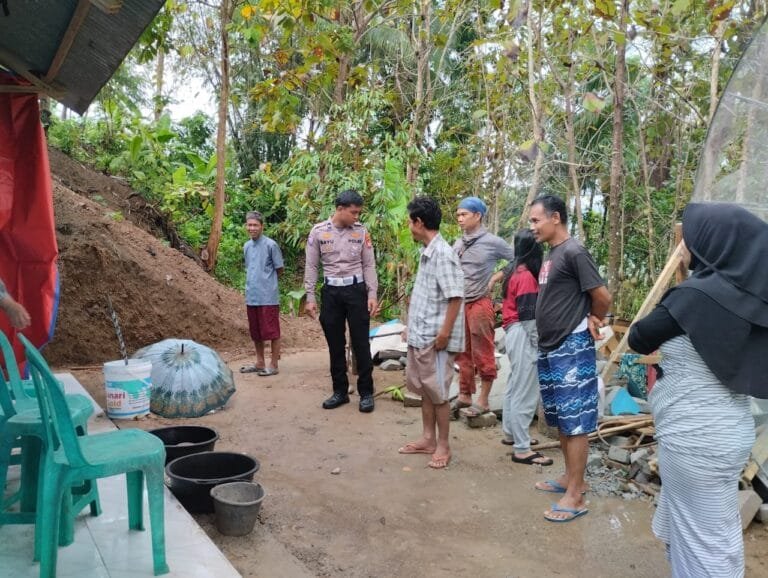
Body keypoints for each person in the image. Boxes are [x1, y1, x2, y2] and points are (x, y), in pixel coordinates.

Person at [628, 203, 768, 577]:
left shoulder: (697, 296)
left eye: (688, 239)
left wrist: (684, 285)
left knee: (703, 542)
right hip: (728, 432)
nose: (682, 247)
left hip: (695, 438)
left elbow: (639, 337)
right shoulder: (752, 301)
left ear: (711, 244)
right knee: (711, 531)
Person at [529, 194, 611, 523]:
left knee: (575, 420)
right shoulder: (553, 254)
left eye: (536, 220)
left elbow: (602, 295)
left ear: (556, 218)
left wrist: (595, 317)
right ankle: (569, 478)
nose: (531, 226)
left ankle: (575, 495)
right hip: (550, 346)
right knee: (562, 418)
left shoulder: (575, 251)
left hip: (572, 345)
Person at [398, 197, 464, 469]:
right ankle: (428, 438)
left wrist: (445, 334)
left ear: (419, 222)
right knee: (427, 390)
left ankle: (443, 445)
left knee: (438, 393)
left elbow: (455, 297)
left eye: (410, 222)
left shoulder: (443, 254)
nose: (409, 227)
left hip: (436, 339)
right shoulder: (429, 252)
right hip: (423, 335)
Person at [304, 190, 378, 413]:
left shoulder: (361, 232)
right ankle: (340, 392)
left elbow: (369, 265)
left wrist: (372, 294)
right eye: (353, 212)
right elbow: (312, 266)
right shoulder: (318, 232)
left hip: (356, 291)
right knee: (335, 345)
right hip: (332, 293)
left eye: (358, 213)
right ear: (340, 209)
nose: (356, 217)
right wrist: (310, 296)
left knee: (361, 343)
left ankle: (366, 393)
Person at [452, 196, 515, 418]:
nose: (459, 219)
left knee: (482, 350)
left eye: (464, 214)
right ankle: (464, 394)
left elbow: (518, 260)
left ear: (477, 216)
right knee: (462, 351)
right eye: (458, 214)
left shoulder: (493, 242)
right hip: (459, 304)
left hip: (480, 302)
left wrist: (497, 276)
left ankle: (484, 399)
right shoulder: (458, 243)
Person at [500, 230, 552, 466]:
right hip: (522, 332)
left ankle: (512, 434)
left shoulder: (513, 271)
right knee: (526, 389)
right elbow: (529, 317)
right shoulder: (527, 278)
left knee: (514, 385)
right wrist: (539, 344)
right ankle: (522, 448)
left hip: (512, 331)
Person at [240, 211, 284, 376]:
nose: (252, 228)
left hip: (268, 297)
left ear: (262, 226)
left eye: (255, 225)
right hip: (252, 295)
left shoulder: (271, 245)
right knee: (256, 332)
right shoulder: (246, 246)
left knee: (272, 331)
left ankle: (273, 365)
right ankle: (260, 362)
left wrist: (268, 283)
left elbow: (279, 269)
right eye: (249, 225)